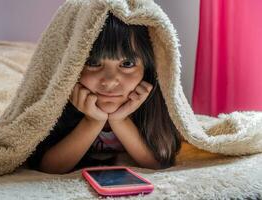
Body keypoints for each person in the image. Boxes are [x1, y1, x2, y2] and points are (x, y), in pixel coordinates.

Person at [26, 12, 182, 174]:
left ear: (148, 70)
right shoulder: (57, 106)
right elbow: (48, 167)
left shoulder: (154, 105)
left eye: (127, 63)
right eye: (93, 63)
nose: (109, 81)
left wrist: (120, 120)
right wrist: (92, 121)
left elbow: (157, 164)